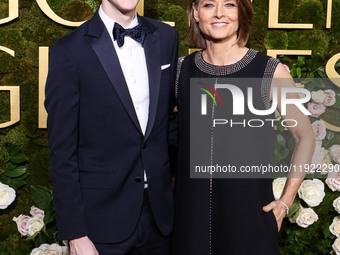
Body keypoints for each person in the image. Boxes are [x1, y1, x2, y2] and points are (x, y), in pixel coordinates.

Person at [172, 0, 315, 254]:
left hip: (250, 224)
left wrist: (285, 201)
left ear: (242, 12)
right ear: (195, 12)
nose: (219, 13)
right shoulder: (180, 71)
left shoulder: (269, 72)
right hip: (189, 224)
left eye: (229, 4)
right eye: (208, 4)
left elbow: (305, 136)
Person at [44, 0, 178, 254]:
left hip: (160, 218)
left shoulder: (167, 37)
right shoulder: (69, 50)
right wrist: (76, 234)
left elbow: (166, 123)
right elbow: (62, 151)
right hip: (100, 224)